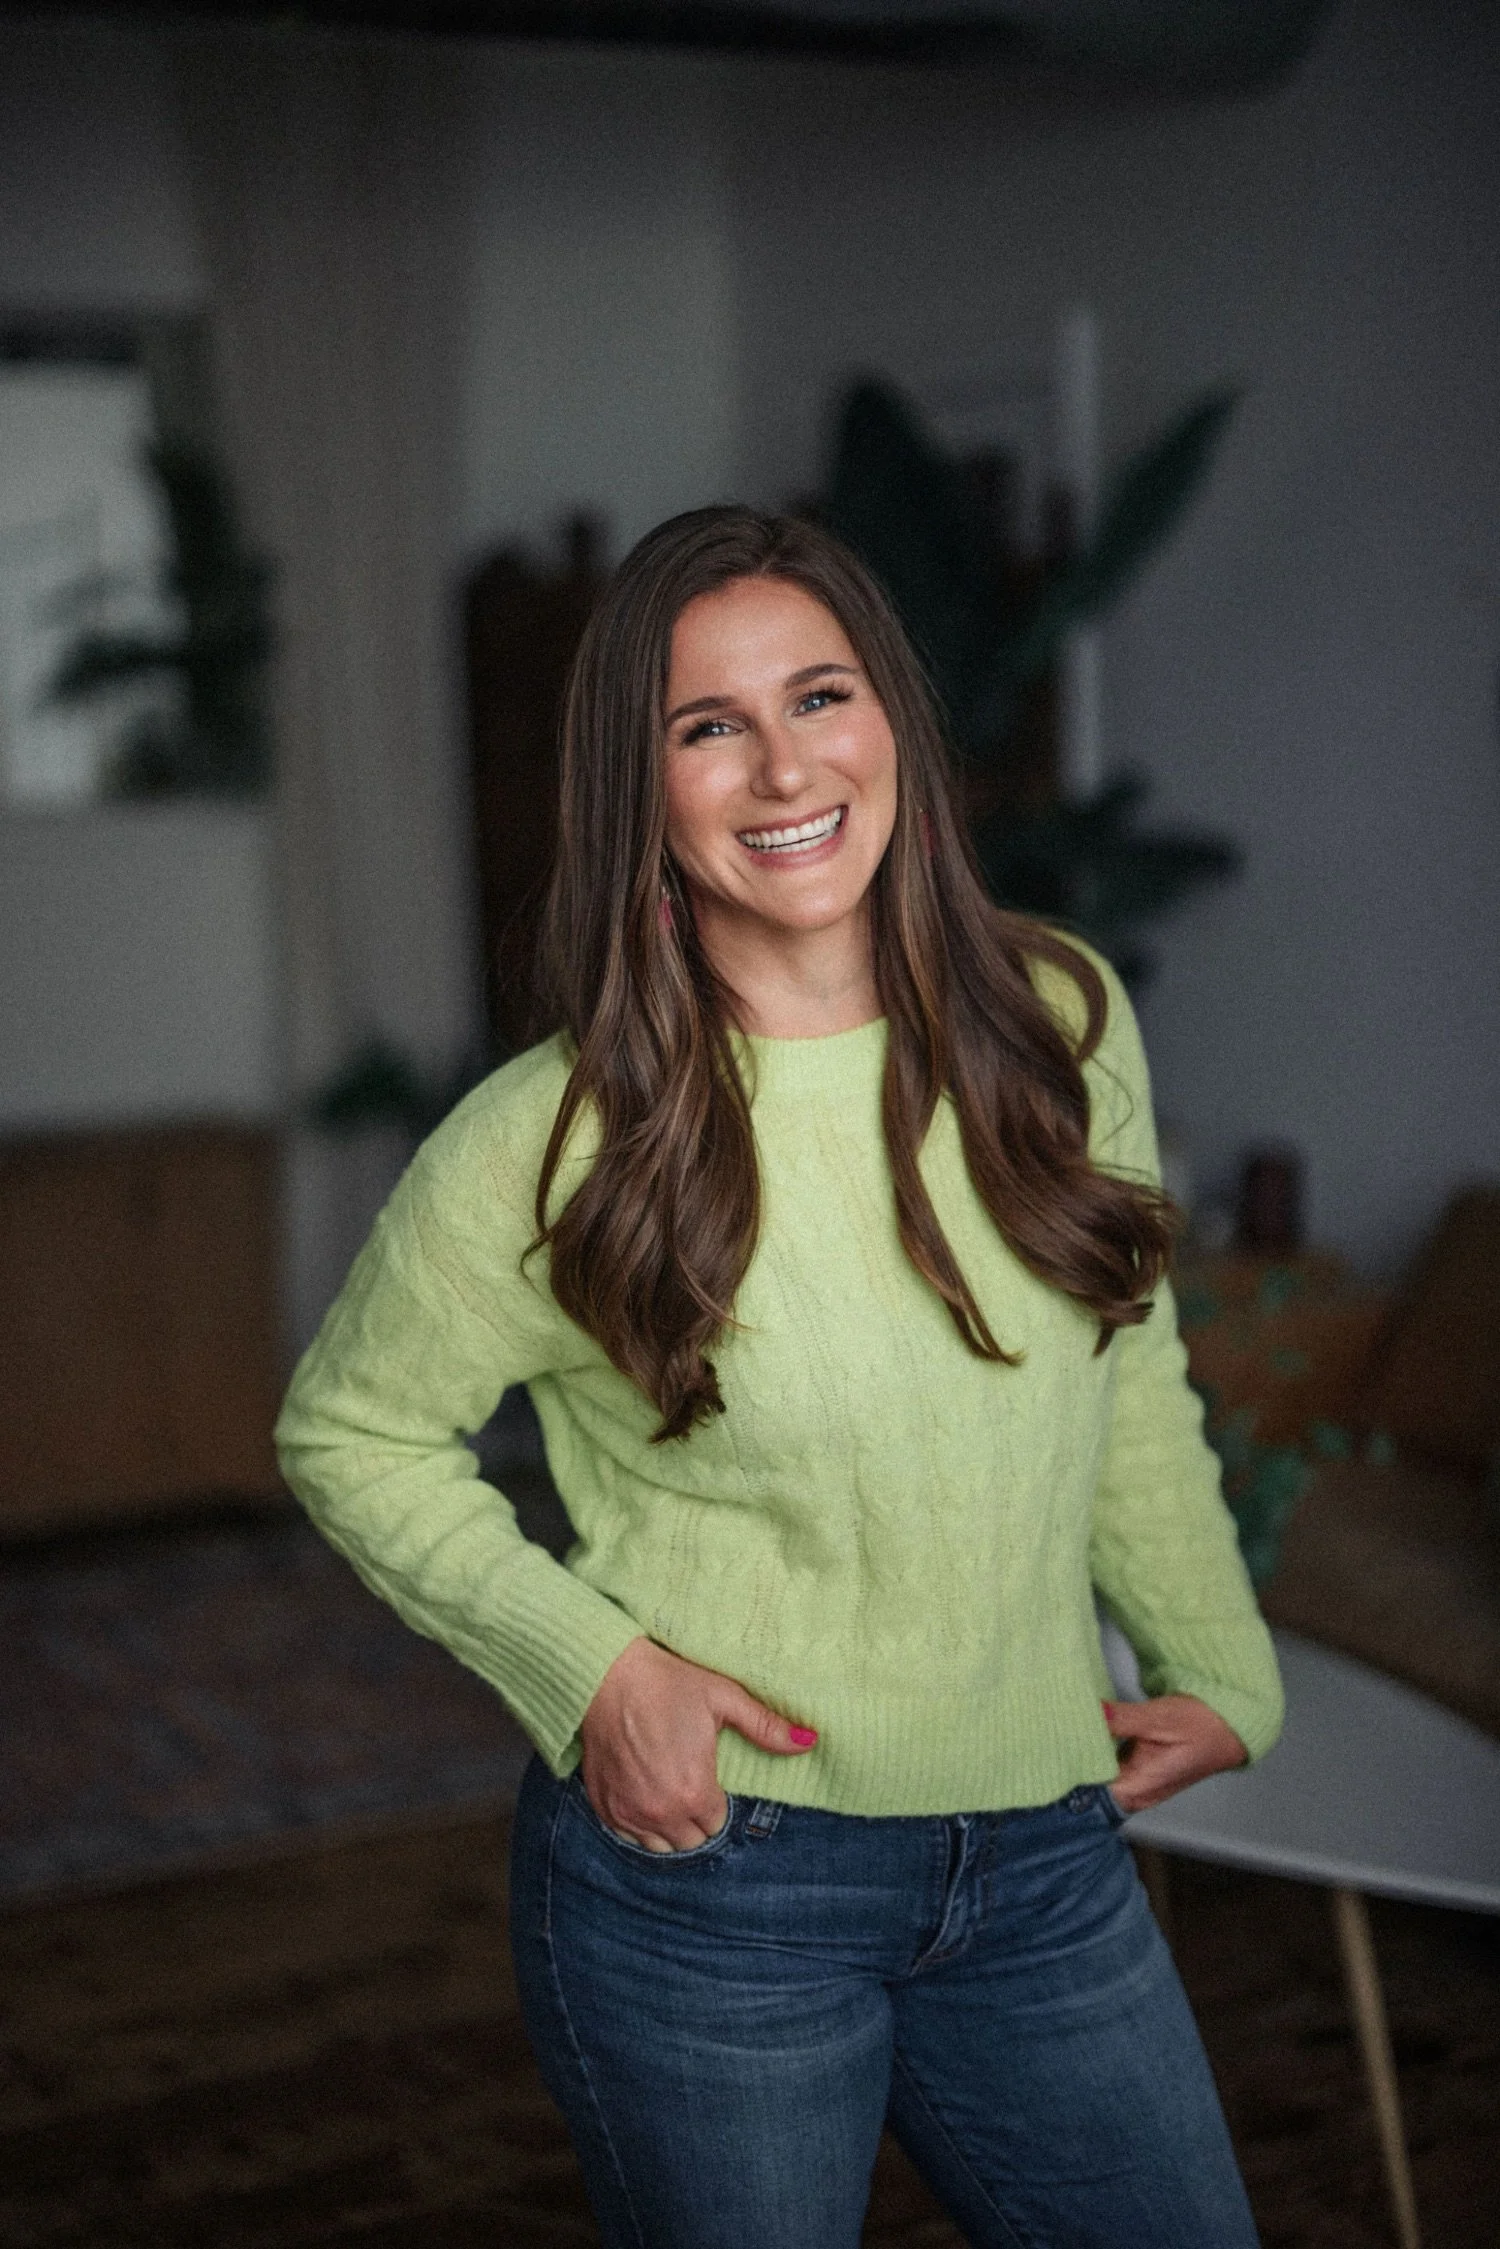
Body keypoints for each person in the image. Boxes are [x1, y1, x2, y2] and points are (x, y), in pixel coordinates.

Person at [276, 505, 1282, 2249]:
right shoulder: (555, 1138)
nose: (781, 767)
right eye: (707, 726)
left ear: (893, 718)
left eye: (819, 696)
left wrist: (1216, 1657)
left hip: (1044, 1854)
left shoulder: (1064, 1021)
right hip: (714, 1882)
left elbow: (1126, 1359)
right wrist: (593, 1672)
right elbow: (351, 1431)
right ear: (642, 793)